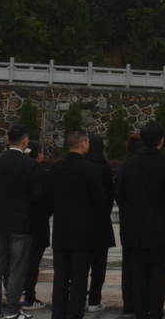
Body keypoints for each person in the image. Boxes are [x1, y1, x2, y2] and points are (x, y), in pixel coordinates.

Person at [116, 121, 165, 319]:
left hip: (135, 230)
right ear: (161, 142)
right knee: (159, 275)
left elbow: (120, 196)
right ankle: (155, 311)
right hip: (163, 230)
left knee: (138, 274)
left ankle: (140, 311)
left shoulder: (127, 166)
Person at [0, 125, 45, 319]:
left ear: (7, 139)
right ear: (25, 141)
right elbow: (37, 197)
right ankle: (12, 311)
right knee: (17, 270)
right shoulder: (30, 165)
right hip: (21, 223)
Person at [48, 129, 108, 319]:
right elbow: (99, 202)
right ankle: (75, 313)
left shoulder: (56, 169)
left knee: (60, 276)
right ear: (83, 144)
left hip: (61, 230)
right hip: (84, 232)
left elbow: (48, 199)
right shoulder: (90, 170)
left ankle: (58, 313)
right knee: (79, 277)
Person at [85, 135, 116, 312]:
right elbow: (109, 198)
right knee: (98, 266)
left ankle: (79, 296)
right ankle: (94, 300)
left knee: (80, 265)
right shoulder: (103, 169)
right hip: (101, 224)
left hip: (81, 224)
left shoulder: (83, 168)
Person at [21, 141, 51, 311]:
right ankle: (29, 297)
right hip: (37, 224)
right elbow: (45, 200)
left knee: (16, 262)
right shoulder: (39, 172)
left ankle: (13, 293)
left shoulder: (19, 169)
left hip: (19, 222)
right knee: (33, 262)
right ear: (38, 154)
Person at [120, 135, 144, 316]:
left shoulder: (124, 168)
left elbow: (119, 196)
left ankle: (129, 303)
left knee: (128, 266)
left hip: (129, 223)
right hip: (148, 225)